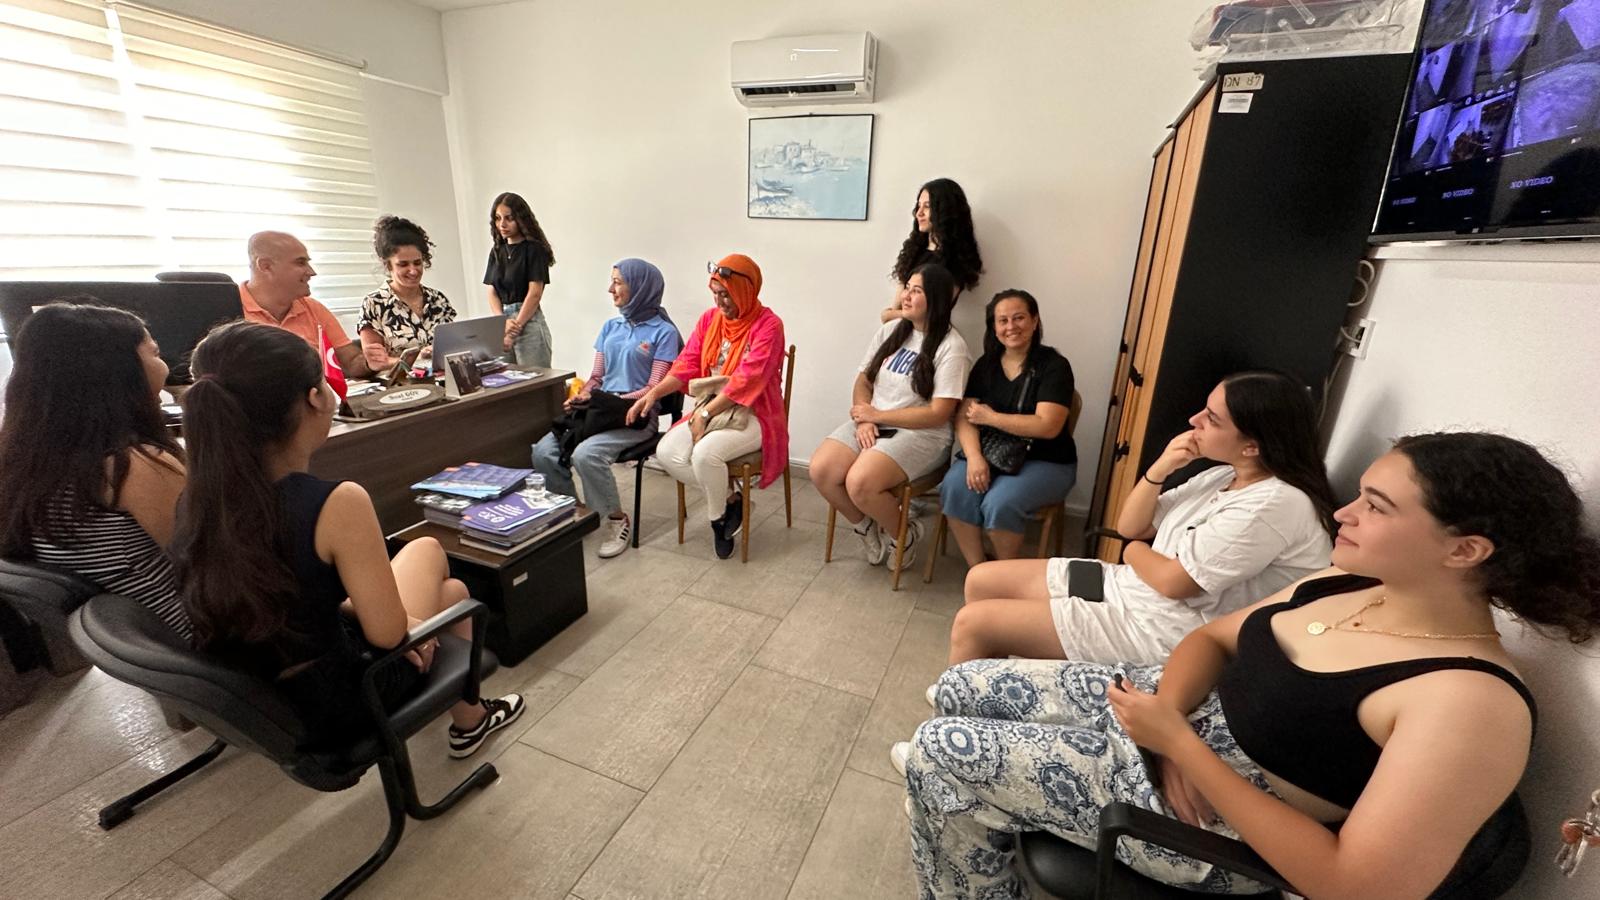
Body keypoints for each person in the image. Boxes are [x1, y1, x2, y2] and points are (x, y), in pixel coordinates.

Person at [902, 431, 1600, 899]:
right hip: (1169, 712)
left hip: (1210, 821)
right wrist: (1170, 718)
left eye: (1376, 507)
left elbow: (1355, 886)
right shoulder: (1348, 583)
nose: (1344, 513)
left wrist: (1182, 749)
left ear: (1464, 550)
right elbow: (1213, 641)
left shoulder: (1470, 701)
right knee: (962, 683)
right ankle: (978, 815)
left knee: (937, 754)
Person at [172, 321, 523, 755]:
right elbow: (387, 635)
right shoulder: (337, 502)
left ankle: (471, 720)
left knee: (452, 595)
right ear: (314, 398)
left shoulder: (198, 499)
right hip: (341, 698)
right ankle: (470, 721)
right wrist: (400, 620)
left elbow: (285, 590)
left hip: (267, 700)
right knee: (430, 552)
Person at [951, 370, 1337, 667]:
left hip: (1157, 627)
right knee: (982, 579)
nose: (1194, 420)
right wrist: (1161, 468)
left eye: (1212, 419)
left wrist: (1133, 552)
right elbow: (1130, 527)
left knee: (974, 623)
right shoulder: (1223, 474)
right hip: (1127, 587)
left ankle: (956, 714)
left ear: (1252, 446)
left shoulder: (1275, 505)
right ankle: (979, 682)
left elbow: (1172, 582)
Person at [0, 303, 191, 641]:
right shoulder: (134, 466)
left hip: (140, 640)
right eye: (155, 352)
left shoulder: (31, 460)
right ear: (120, 371)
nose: (166, 365)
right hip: (203, 635)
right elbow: (221, 566)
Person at [625, 254, 787, 560]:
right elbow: (686, 364)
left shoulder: (769, 325)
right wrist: (653, 393)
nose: (720, 302)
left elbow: (747, 380)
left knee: (704, 455)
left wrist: (704, 414)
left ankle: (717, 522)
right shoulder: (709, 320)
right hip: (713, 408)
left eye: (726, 294)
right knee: (667, 452)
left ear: (746, 290)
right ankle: (731, 502)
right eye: (715, 294)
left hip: (756, 413)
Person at [812, 262, 972, 572]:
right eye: (906, 288)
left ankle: (904, 534)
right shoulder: (891, 330)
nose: (905, 296)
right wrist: (866, 419)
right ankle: (865, 527)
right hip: (874, 422)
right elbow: (863, 381)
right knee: (821, 470)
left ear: (936, 299)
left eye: (916, 291)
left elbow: (939, 412)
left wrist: (878, 414)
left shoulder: (953, 347)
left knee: (860, 482)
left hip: (923, 434)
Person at [532, 259, 682, 559]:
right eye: (612, 281)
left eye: (618, 282)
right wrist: (584, 395)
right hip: (598, 411)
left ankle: (616, 519)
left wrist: (612, 400)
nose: (610, 289)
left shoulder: (663, 332)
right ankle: (575, 513)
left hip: (636, 415)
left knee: (586, 455)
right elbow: (597, 377)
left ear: (640, 287)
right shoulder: (610, 327)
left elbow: (654, 388)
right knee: (543, 452)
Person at [938, 289, 1077, 565]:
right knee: (954, 487)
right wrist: (974, 457)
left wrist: (991, 418)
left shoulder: (1054, 366)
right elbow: (965, 416)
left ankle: (1004, 574)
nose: (1011, 326)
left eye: (1019, 318)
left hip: (1046, 460)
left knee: (999, 503)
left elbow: (1047, 426)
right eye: (1002, 320)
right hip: (992, 453)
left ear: (1034, 321)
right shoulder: (986, 364)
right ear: (994, 327)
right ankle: (979, 568)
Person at [240, 231, 371, 377]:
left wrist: (370, 361)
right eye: (301, 263)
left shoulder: (313, 308)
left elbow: (350, 362)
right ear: (266, 266)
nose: (312, 272)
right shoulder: (228, 311)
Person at [357, 215, 457, 372]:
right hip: (400, 384)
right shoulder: (374, 304)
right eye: (403, 264)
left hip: (442, 379)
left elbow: (454, 348)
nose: (413, 271)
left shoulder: (438, 300)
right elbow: (376, 363)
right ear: (388, 265)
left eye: (417, 263)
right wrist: (417, 360)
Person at [881, 178, 983, 323]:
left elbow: (932, 314)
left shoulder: (956, 260)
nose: (919, 213)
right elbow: (896, 308)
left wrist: (890, 315)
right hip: (900, 330)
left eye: (927, 207)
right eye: (918, 206)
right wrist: (892, 315)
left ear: (945, 211)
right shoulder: (914, 251)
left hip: (929, 334)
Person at [484, 191, 556, 368]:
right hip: (503, 322)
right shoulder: (497, 251)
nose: (502, 224)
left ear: (521, 219)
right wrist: (502, 321)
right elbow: (492, 291)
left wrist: (513, 329)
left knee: (536, 379)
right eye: (498, 218)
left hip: (528, 321)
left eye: (509, 218)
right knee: (504, 379)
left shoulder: (534, 249)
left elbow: (535, 294)